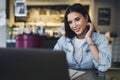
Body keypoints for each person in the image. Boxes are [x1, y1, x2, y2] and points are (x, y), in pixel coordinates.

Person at [53, 3, 111, 72]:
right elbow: (53, 63)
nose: (74, 25)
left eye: (77, 19)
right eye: (70, 22)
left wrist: (89, 39)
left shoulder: (101, 39)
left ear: (86, 18)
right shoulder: (63, 40)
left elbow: (104, 66)